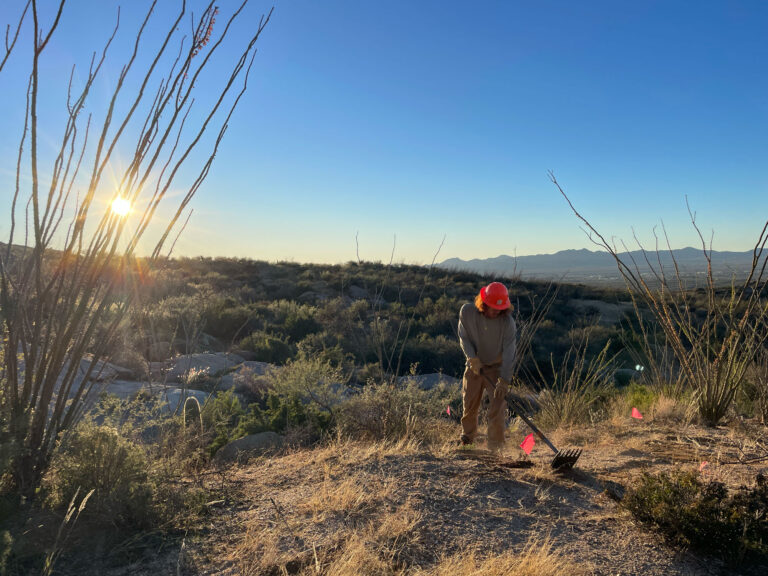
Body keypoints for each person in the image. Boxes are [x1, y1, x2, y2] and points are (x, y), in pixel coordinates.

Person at [457, 281, 517, 452]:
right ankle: (467, 441)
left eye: (499, 308)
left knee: (497, 408)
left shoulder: (508, 323)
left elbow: (509, 353)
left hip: (496, 369)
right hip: (475, 366)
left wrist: (504, 380)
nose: (495, 311)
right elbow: (464, 337)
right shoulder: (467, 312)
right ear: (483, 303)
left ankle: (495, 448)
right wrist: (472, 358)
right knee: (469, 405)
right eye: (491, 307)